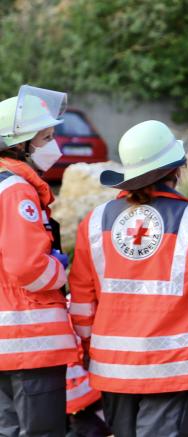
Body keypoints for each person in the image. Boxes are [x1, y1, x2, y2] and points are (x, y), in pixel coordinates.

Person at [68, 120, 188, 437]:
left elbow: (82, 300)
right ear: (176, 168)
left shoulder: (95, 221)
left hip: (114, 367)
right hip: (174, 367)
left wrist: (87, 348)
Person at [0, 86, 77, 437]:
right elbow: (27, 266)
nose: (53, 145)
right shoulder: (17, 190)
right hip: (29, 341)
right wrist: (59, 269)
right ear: (20, 145)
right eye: (46, 137)